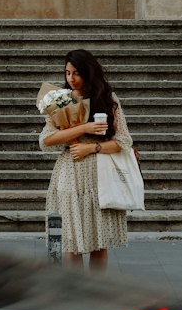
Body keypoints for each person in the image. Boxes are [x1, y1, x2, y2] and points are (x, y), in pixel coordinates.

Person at [40, 48, 132, 270]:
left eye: (77, 73)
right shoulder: (59, 100)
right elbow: (46, 140)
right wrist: (84, 127)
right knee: (71, 241)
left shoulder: (107, 99)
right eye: (68, 73)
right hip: (69, 177)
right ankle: (76, 295)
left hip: (99, 177)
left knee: (99, 244)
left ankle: (96, 296)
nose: (71, 79)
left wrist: (91, 148)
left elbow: (123, 141)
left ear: (89, 73)